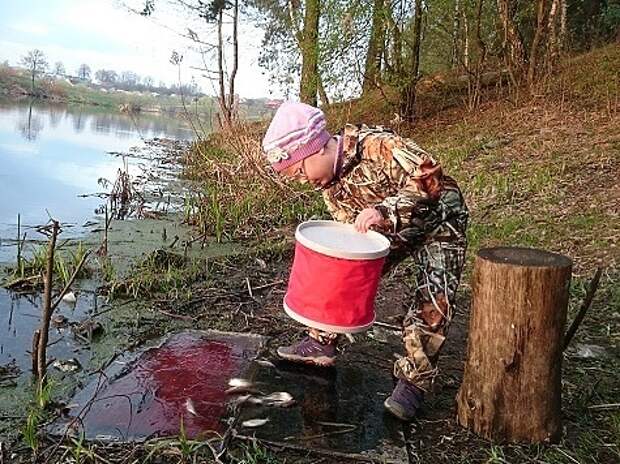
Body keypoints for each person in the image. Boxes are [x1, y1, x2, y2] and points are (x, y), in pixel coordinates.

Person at [262, 102, 469, 421]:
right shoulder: (330, 187)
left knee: (433, 298)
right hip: (387, 232)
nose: (303, 180)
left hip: (440, 221)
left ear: (316, 148)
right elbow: (348, 251)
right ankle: (321, 343)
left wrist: (384, 211)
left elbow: (430, 176)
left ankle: (413, 383)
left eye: (300, 171)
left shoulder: (377, 146)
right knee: (341, 271)